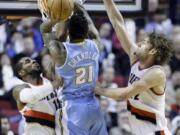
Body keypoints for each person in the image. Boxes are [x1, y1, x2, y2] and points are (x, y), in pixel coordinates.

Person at [95, 0, 173, 135]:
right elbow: (117, 23)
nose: (139, 43)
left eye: (145, 43)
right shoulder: (136, 58)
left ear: (153, 51)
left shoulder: (157, 74)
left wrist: (96, 89)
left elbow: (124, 94)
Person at [40, 2, 108, 135]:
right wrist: (76, 5)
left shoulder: (61, 52)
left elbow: (45, 29)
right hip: (93, 105)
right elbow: (91, 27)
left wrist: (59, 15)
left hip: (72, 109)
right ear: (86, 31)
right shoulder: (96, 45)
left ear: (69, 31)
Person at [12, 57, 62, 135]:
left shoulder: (48, 78)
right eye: (27, 62)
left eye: (33, 60)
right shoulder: (19, 89)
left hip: (59, 130)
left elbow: (58, 58)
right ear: (21, 72)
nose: (33, 61)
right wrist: (55, 83)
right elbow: (32, 96)